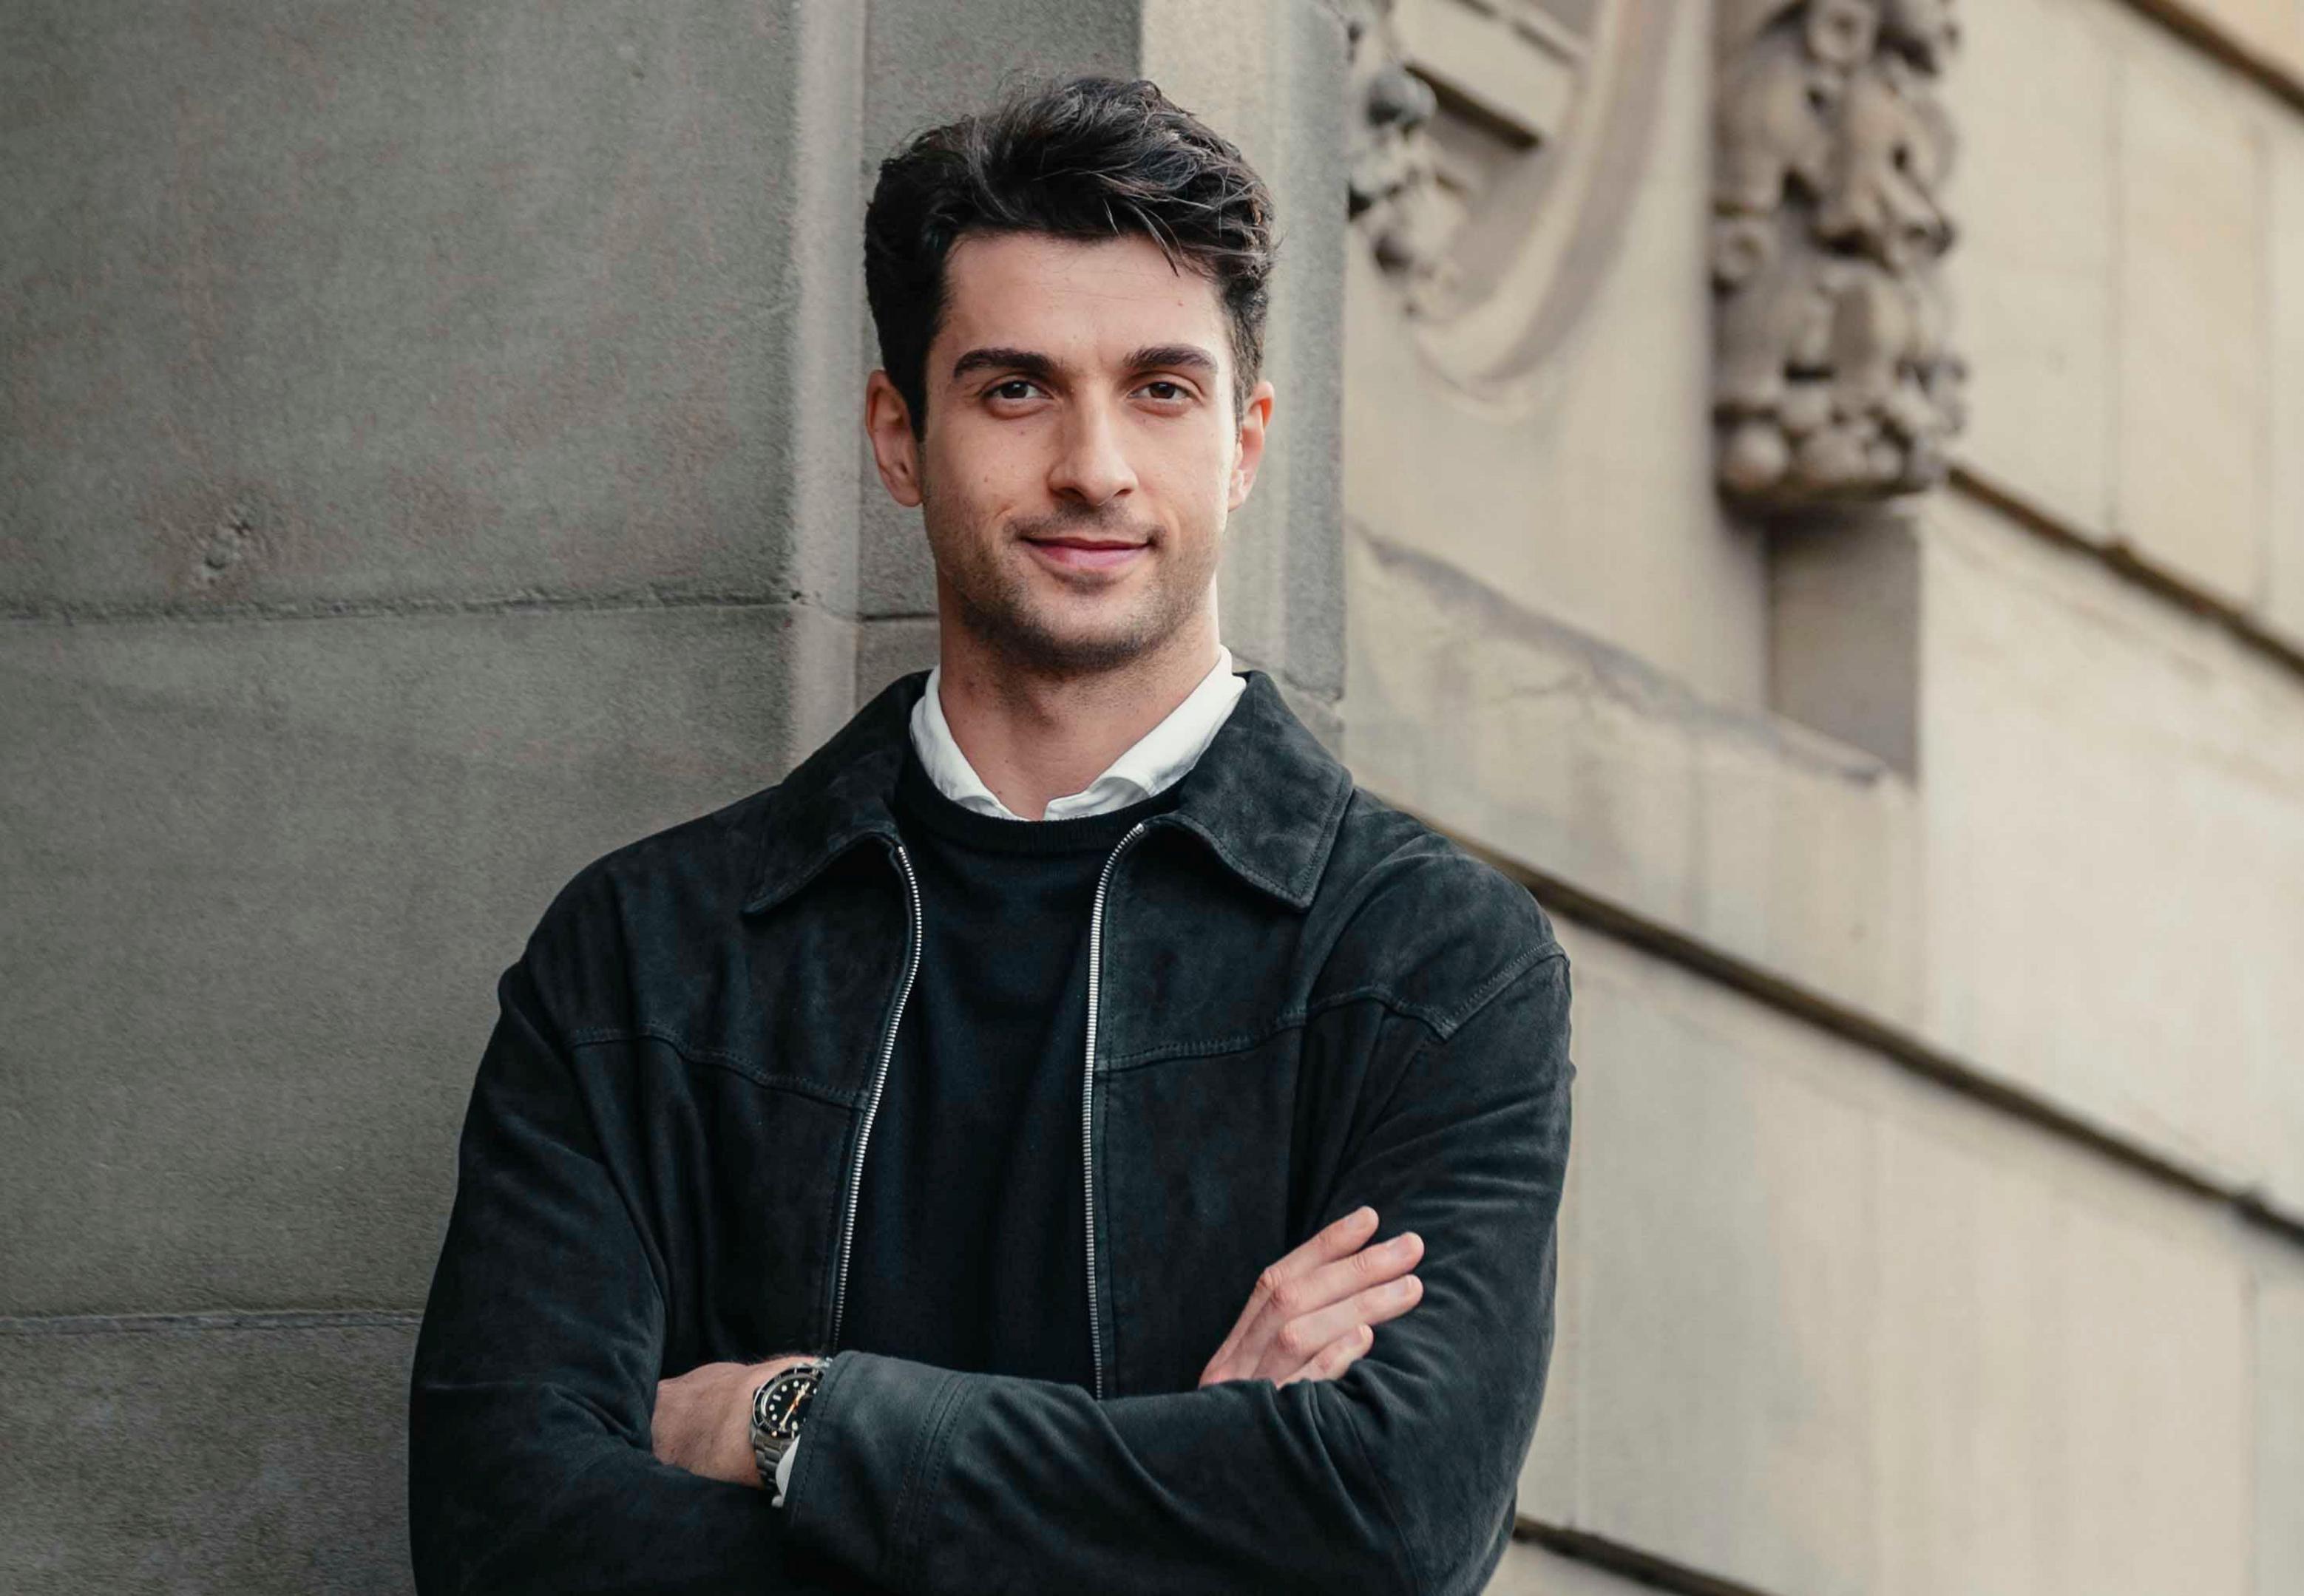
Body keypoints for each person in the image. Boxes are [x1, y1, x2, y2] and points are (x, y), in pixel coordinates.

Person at [405, 75, 1573, 1595]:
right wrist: (1183, 1487)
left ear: (1245, 441)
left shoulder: (1431, 965)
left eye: (1161, 388)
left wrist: (793, 1421)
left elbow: (1387, 1523)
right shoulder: (647, 961)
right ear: (901, 434)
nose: (1094, 466)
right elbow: (511, 1540)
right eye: (1017, 388)